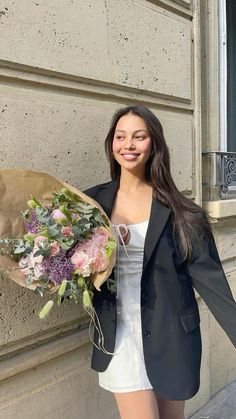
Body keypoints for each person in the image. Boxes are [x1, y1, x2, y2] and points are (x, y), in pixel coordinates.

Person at [83, 105, 236, 419]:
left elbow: (213, 284)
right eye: (121, 136)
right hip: (118, 335)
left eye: (139, 137)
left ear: (153, 144)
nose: (129, 145)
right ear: (111, 144)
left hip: (171, 335)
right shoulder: (90, 204)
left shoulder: (181, 211)